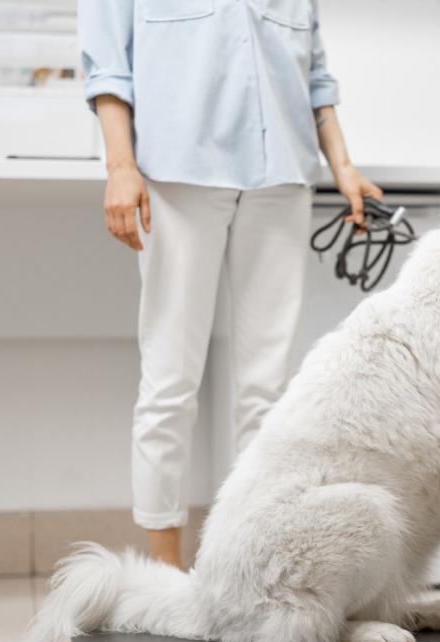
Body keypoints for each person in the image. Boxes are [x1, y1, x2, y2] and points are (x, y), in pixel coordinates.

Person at [78, 0, 382, 568]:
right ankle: (165, 574)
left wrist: (342, 166)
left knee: (268, 392)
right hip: (177, 175)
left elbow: (314, 75)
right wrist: (120, 165)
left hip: (283, 178)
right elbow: (108, 70)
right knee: (170, 382)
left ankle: (248, 560)